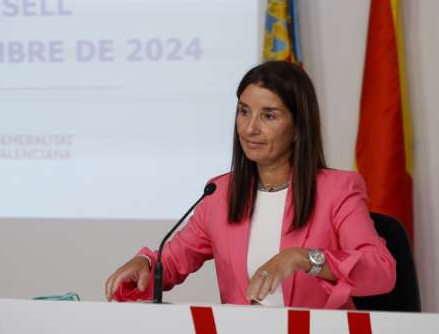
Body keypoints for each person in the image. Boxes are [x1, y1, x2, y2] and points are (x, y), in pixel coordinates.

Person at [104, 61, 396, 309]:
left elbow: (381, 269)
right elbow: (167, 264)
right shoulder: (220, 195)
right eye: (244, 112)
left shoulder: (338, 191)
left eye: (268, 115)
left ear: (298, 127)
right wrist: (144, 264)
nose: (249, 128)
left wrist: (303, 258)